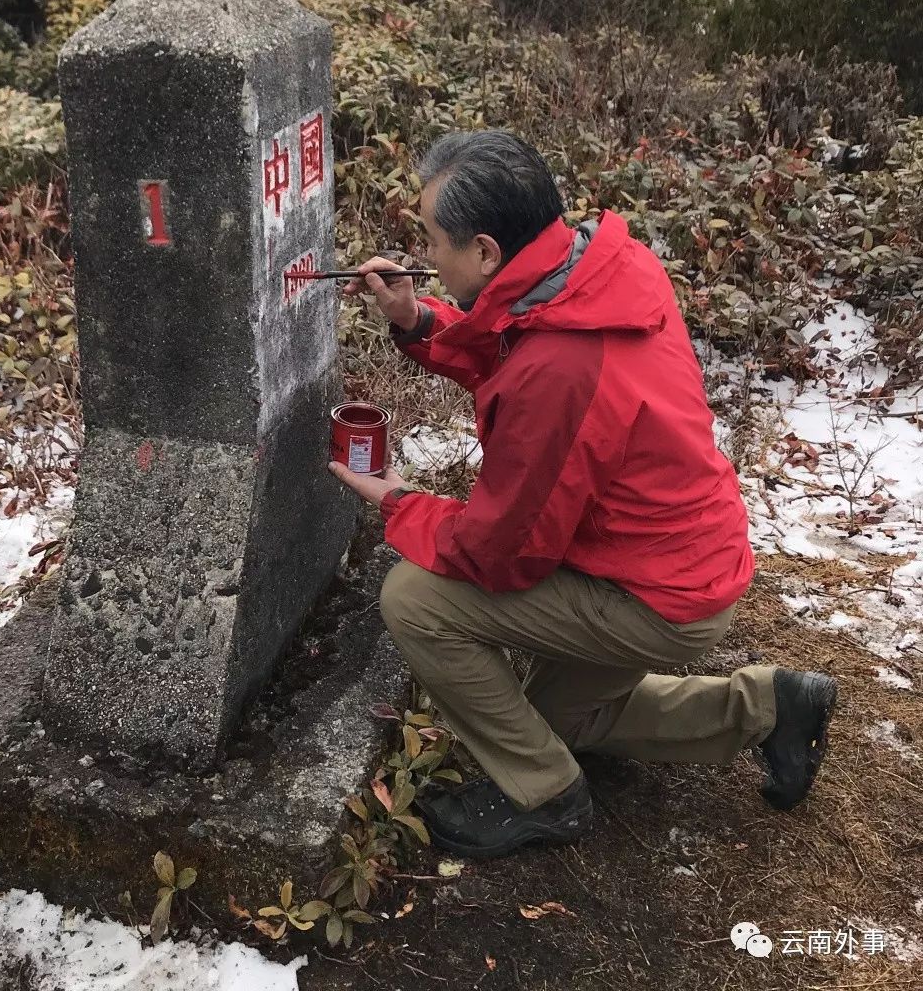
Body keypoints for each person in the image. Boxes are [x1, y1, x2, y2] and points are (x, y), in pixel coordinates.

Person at [327, 129, 838, 860]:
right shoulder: (597, 270)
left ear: (486, 253)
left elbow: (500, 555)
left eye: (434, 241)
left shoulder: (565, 365)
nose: (424, 259)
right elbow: (517, 344)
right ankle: (771, 707)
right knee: (555, 716)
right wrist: (416, 320)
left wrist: (398, 501)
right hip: (685, 556)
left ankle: (542, 794)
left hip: (653, 595)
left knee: (414, 598)